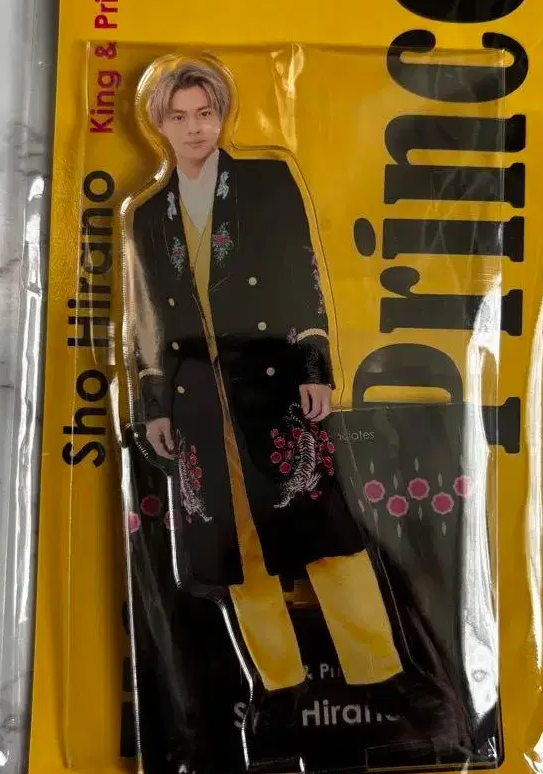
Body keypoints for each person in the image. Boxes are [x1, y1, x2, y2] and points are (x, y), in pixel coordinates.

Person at [127, 58, 404, 728]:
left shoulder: (265, 182)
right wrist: (154, 404)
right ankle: (279, 687)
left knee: (323, 530)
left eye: (205, 113)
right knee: (236, 548)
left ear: (222, 114)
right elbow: (147, 318)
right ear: (159, 124)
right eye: (179, 116)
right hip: (198, 399)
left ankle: (382, 676)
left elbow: (300, 273)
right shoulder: (148, 215)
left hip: (271, 385)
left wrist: (314, 365)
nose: (195, 128)